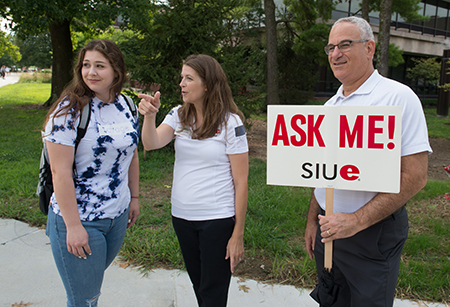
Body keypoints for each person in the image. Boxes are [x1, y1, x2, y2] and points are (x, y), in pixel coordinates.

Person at [304, 16, 432, 307]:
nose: (335, 54)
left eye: (345, 45)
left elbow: (415, 176)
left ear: (370, 48)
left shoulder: (398, 98)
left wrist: (356, 222)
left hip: (373, 235)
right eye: (331, 47)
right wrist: (313, 218)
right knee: (332, 300)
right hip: (329, 230)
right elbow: (325, 172)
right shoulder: (328, 107)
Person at [138, 54, 248, 307]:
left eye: (189, 78)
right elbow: (151, 143)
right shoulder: (178, 115)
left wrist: (237, 235)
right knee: (199, 285)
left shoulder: (231, 122)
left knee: (213, 292)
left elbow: (241, 182)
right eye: (181, 78)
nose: (181, 84)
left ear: (207, 84)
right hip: (182, 218)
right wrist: (149, 116)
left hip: (217, 220)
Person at [43, 39, 140, 307]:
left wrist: (134, 198)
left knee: (90, 289)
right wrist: (73, 227)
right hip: (79, 220)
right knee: (84, 300)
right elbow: (59, 172)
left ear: (117, 71)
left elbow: (131, 153)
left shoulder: (127, 105)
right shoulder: (68, 111)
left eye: (100, 66)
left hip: (117, 216)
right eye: (86, 65)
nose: (91, 72)